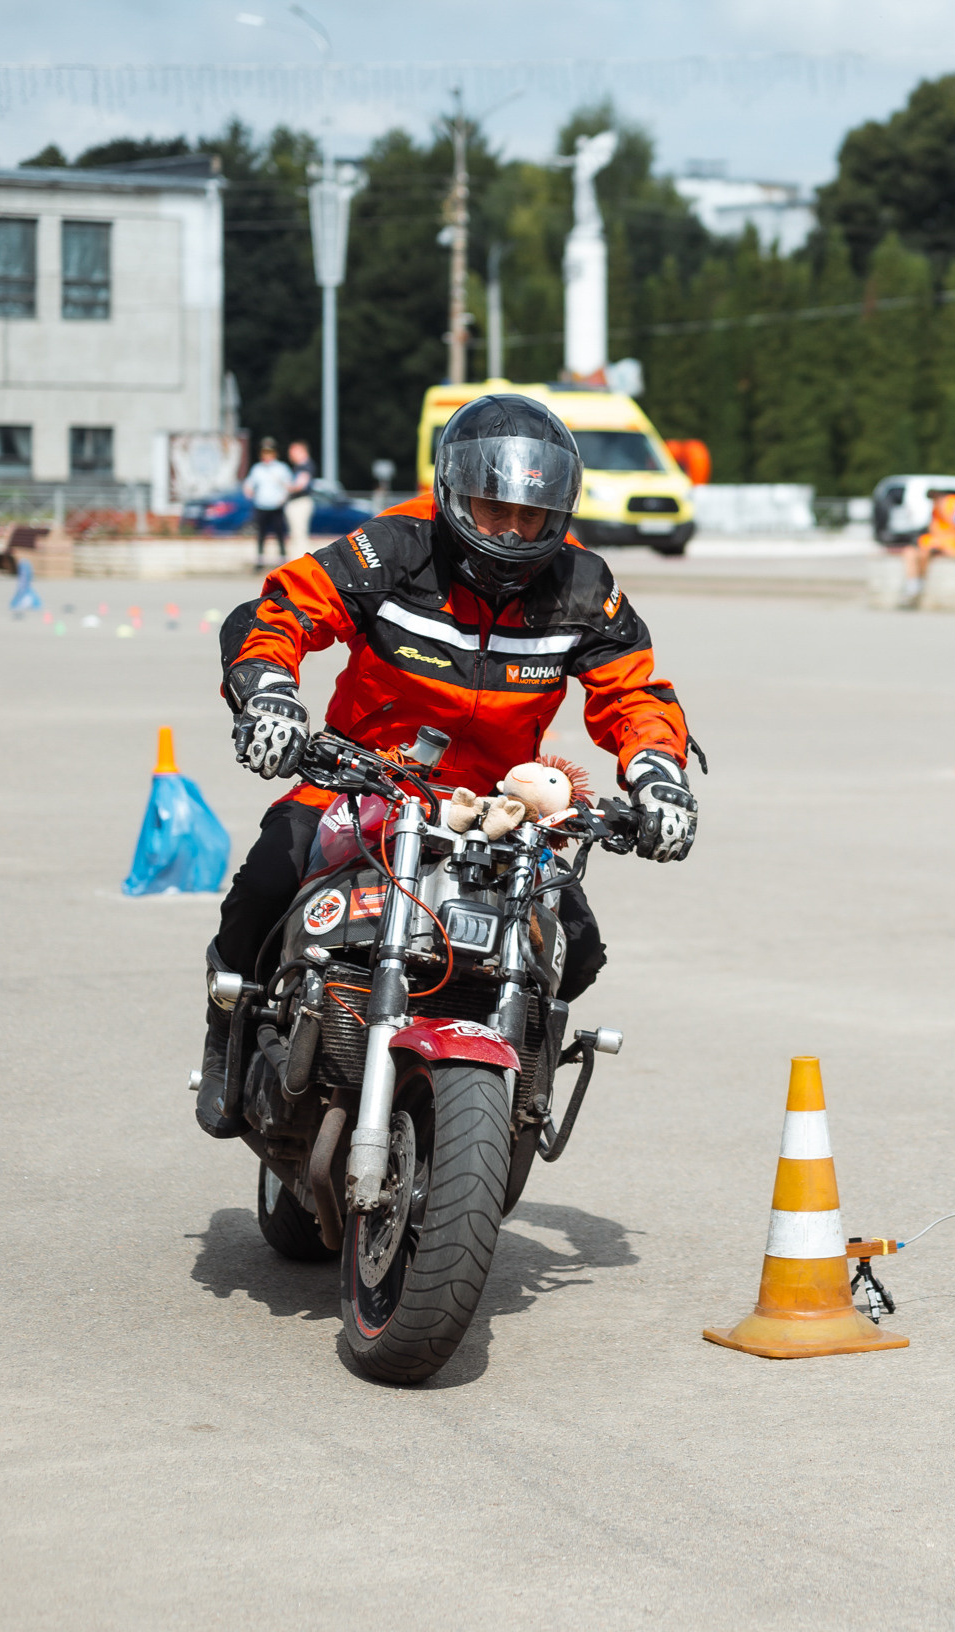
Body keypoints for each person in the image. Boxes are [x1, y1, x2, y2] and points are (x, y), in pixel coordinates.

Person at [195, 393, 701, 1137]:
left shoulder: (582, 586)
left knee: (578, 947)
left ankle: (508, 1089)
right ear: (454, 492)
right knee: (267, 878)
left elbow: (635, 693)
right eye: (493, 507)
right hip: (360, 773)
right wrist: (267, 695)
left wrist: (659, 774)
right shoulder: (395, 546)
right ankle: (229, 1028)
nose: (512, 528)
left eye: (531, 515)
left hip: (498, 806)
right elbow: (285, 612)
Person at [242, 438, 293, 568]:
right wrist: (248, 491)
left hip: (276, 505)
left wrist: (283, 498)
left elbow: (288, 485)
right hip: (262, 505)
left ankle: (282, 559)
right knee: (261, 534)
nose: (267, 456)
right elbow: (249, 484)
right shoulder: (257, 469)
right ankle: (260, 560)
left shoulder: (281, 468)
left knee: (280, 533)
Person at [284, 439, 318, 555]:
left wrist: (285, 487)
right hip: (299, 502)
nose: (290, 454)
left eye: (292, 451)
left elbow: (300, 485)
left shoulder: (305, 466)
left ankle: (300, 562)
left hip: (300, 502)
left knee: (299, 534)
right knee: (297, 534)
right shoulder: (301, 466)